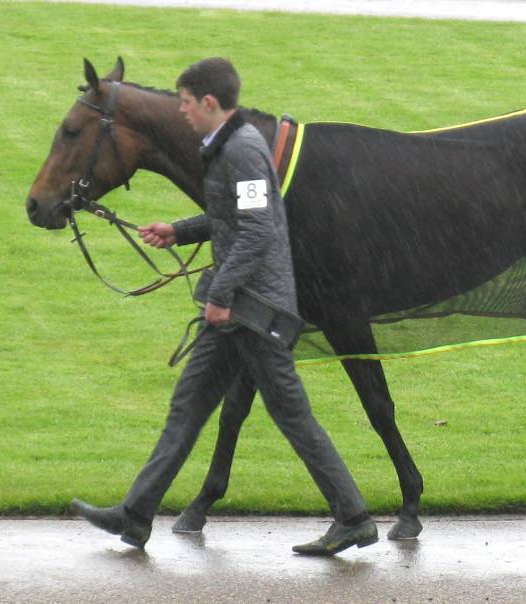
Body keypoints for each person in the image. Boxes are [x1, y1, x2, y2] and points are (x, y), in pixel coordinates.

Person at [71, 57, 377, 556]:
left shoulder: (245, 151)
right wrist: (178, 231)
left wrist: (219, 296)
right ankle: (135, 514)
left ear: (209, 102)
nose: (182, 112)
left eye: (187, 103)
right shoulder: (226, 146)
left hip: (253, 311)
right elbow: (232, 218)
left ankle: (354, 517)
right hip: (237, 309)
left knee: (292, 415)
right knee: (188, 407)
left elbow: (258, 230)